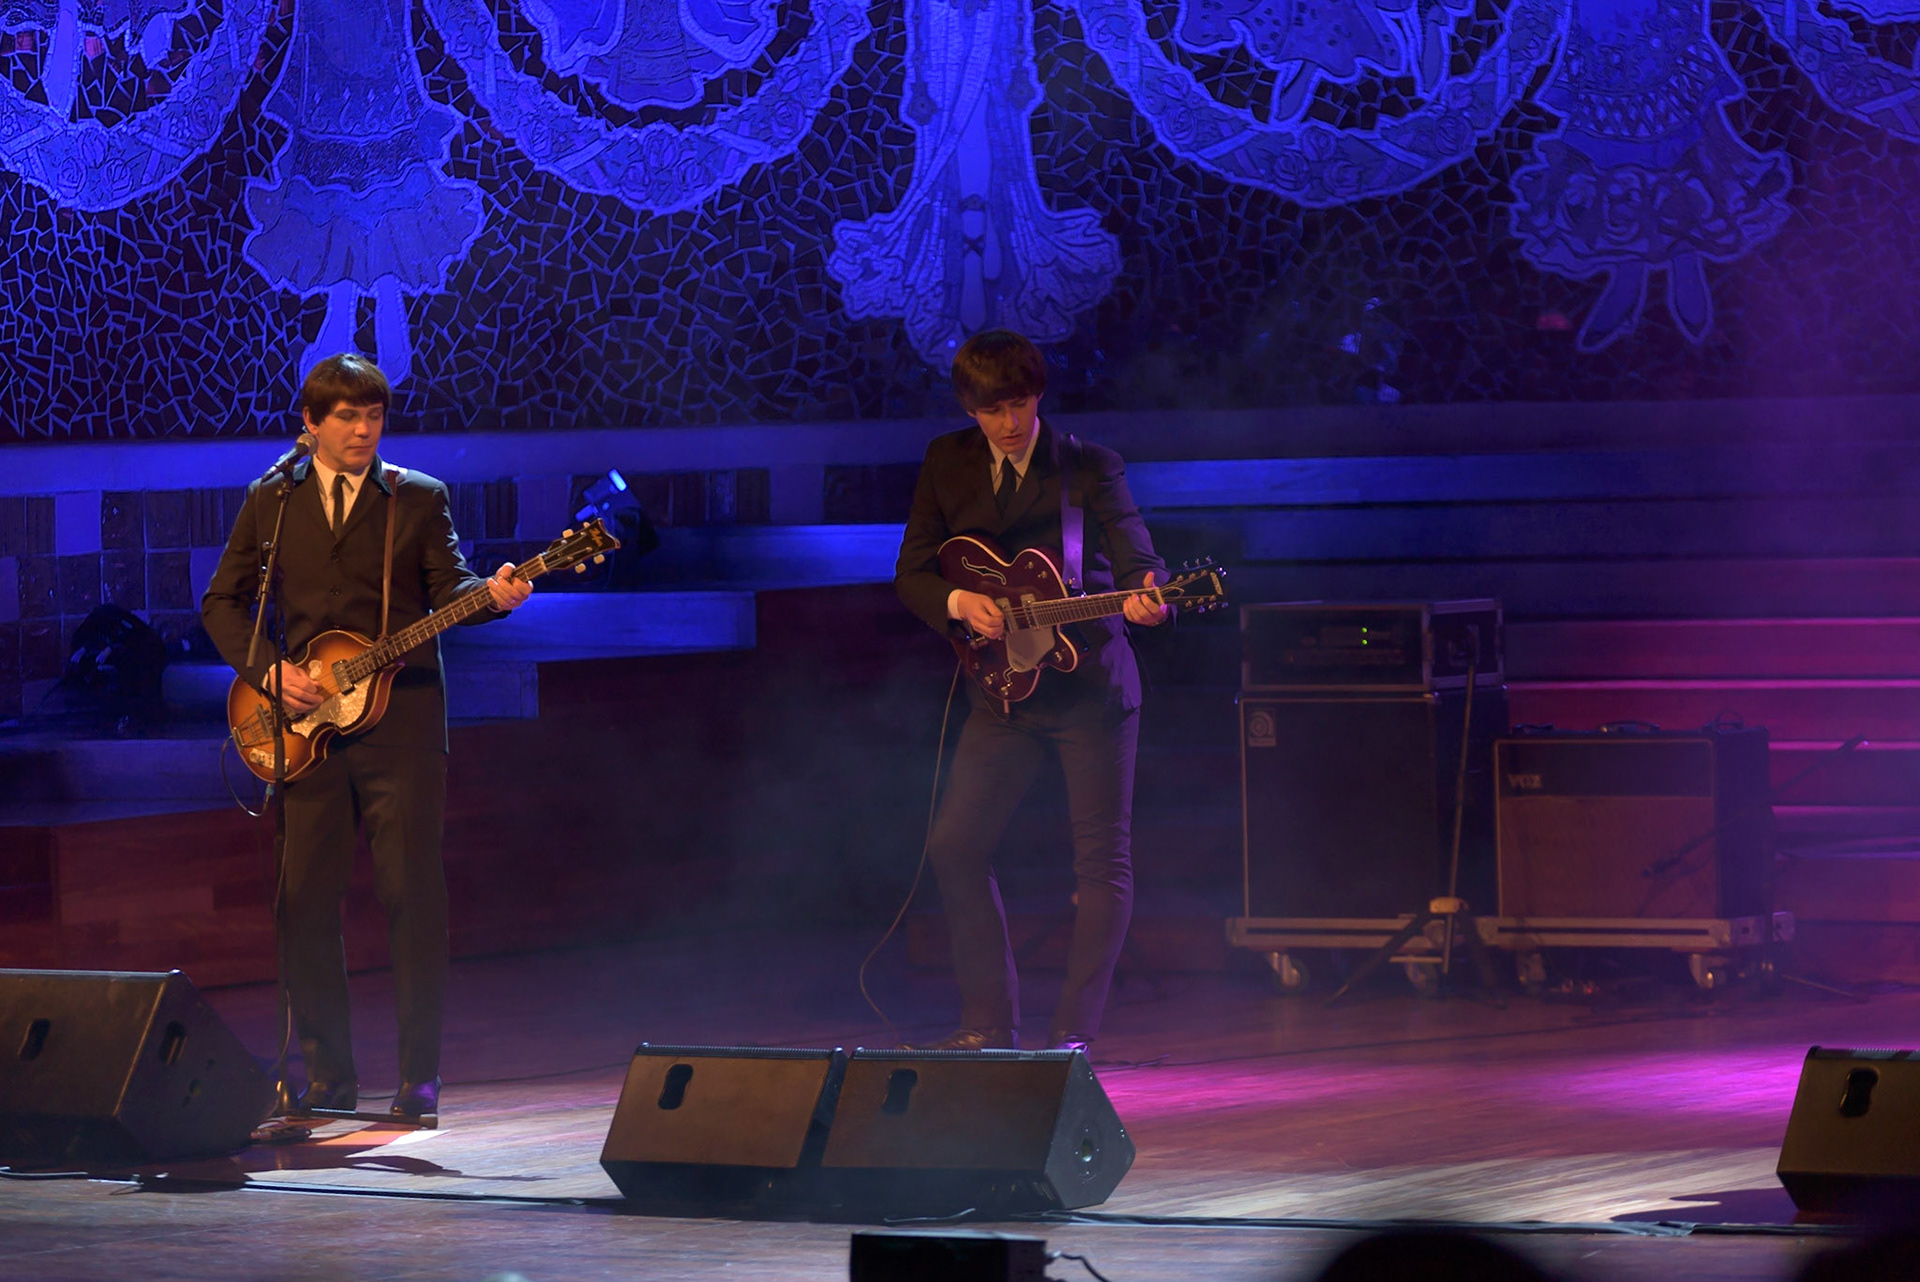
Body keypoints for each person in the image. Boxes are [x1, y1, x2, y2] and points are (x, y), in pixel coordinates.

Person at [201, 354, 531, 1117]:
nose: (362, 430)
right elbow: (222, 602)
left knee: (411, 896)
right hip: (307, 729)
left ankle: (419, 1079)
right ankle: (328, 1078)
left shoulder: (417, 498)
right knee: (302, 902)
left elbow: (452, 591)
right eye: (347, 417)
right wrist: (269, 671)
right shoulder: (272, 499)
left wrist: (494, 596)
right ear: (310, 423)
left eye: (374, 416)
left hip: (402, 726)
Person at [894, 329, 1171, 1053]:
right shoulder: (946, 461)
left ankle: (1072, 1039)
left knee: (1100, 862)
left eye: (1019, 404)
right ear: (969, 408)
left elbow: (1137, 558)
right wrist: (959, 603)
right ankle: (987, 1025)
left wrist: (1149, 595)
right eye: (992, 411)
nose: (1009, 423)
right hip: (1003, 694)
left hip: (1091, 690)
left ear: (1038, 395)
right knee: (955, 846)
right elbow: (913, 572)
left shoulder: (1089, 465)